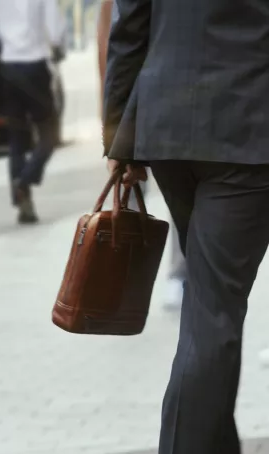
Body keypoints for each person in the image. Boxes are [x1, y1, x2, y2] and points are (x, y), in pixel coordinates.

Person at [103, 0, 269, 452]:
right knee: (214, 309)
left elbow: (129, 26)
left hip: (167, 127)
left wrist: (119, 137)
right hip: (246, 131)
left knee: (209, 302)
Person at [97, 0, 184, 312]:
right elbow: (108, 49)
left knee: (144, 196)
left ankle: (152, 278)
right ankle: (128, 278)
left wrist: (113, 127)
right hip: (156, 110)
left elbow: (115, 46)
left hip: (147, 108)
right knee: (132, 198)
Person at [0, 0, 66, 224]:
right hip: (35, 69)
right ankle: (25, 180)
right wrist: (56, 48)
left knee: (17, 140)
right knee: (49, 134)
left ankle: (24, 204)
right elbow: (55, 33)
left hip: (7, 72)